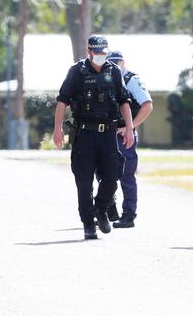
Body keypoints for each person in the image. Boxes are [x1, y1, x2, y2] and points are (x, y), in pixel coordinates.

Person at [52, 35, 134, 240]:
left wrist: (130, 128)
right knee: (84, 181)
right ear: (89, 52)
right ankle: (88, 223)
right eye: (96, 53)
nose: (100, 56)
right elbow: (62, 101)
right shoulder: (77, 72)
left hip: (107, 133)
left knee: (112, 177)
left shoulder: (113, 71)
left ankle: (100, 208)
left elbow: (124, 101)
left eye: (103, 53)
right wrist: (57, 128)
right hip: (85, 134)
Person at [104, 51, 154, 228]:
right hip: (106, 134)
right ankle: (108, 210)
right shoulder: (104, 78)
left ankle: (128, 215)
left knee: (126, 176)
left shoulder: (131, 79)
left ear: (123, 62)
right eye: (110, 63)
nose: (113, 66)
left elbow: (147, 105)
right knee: (103, 174)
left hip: (125, 136)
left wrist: (130, 127)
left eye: (116, 63)